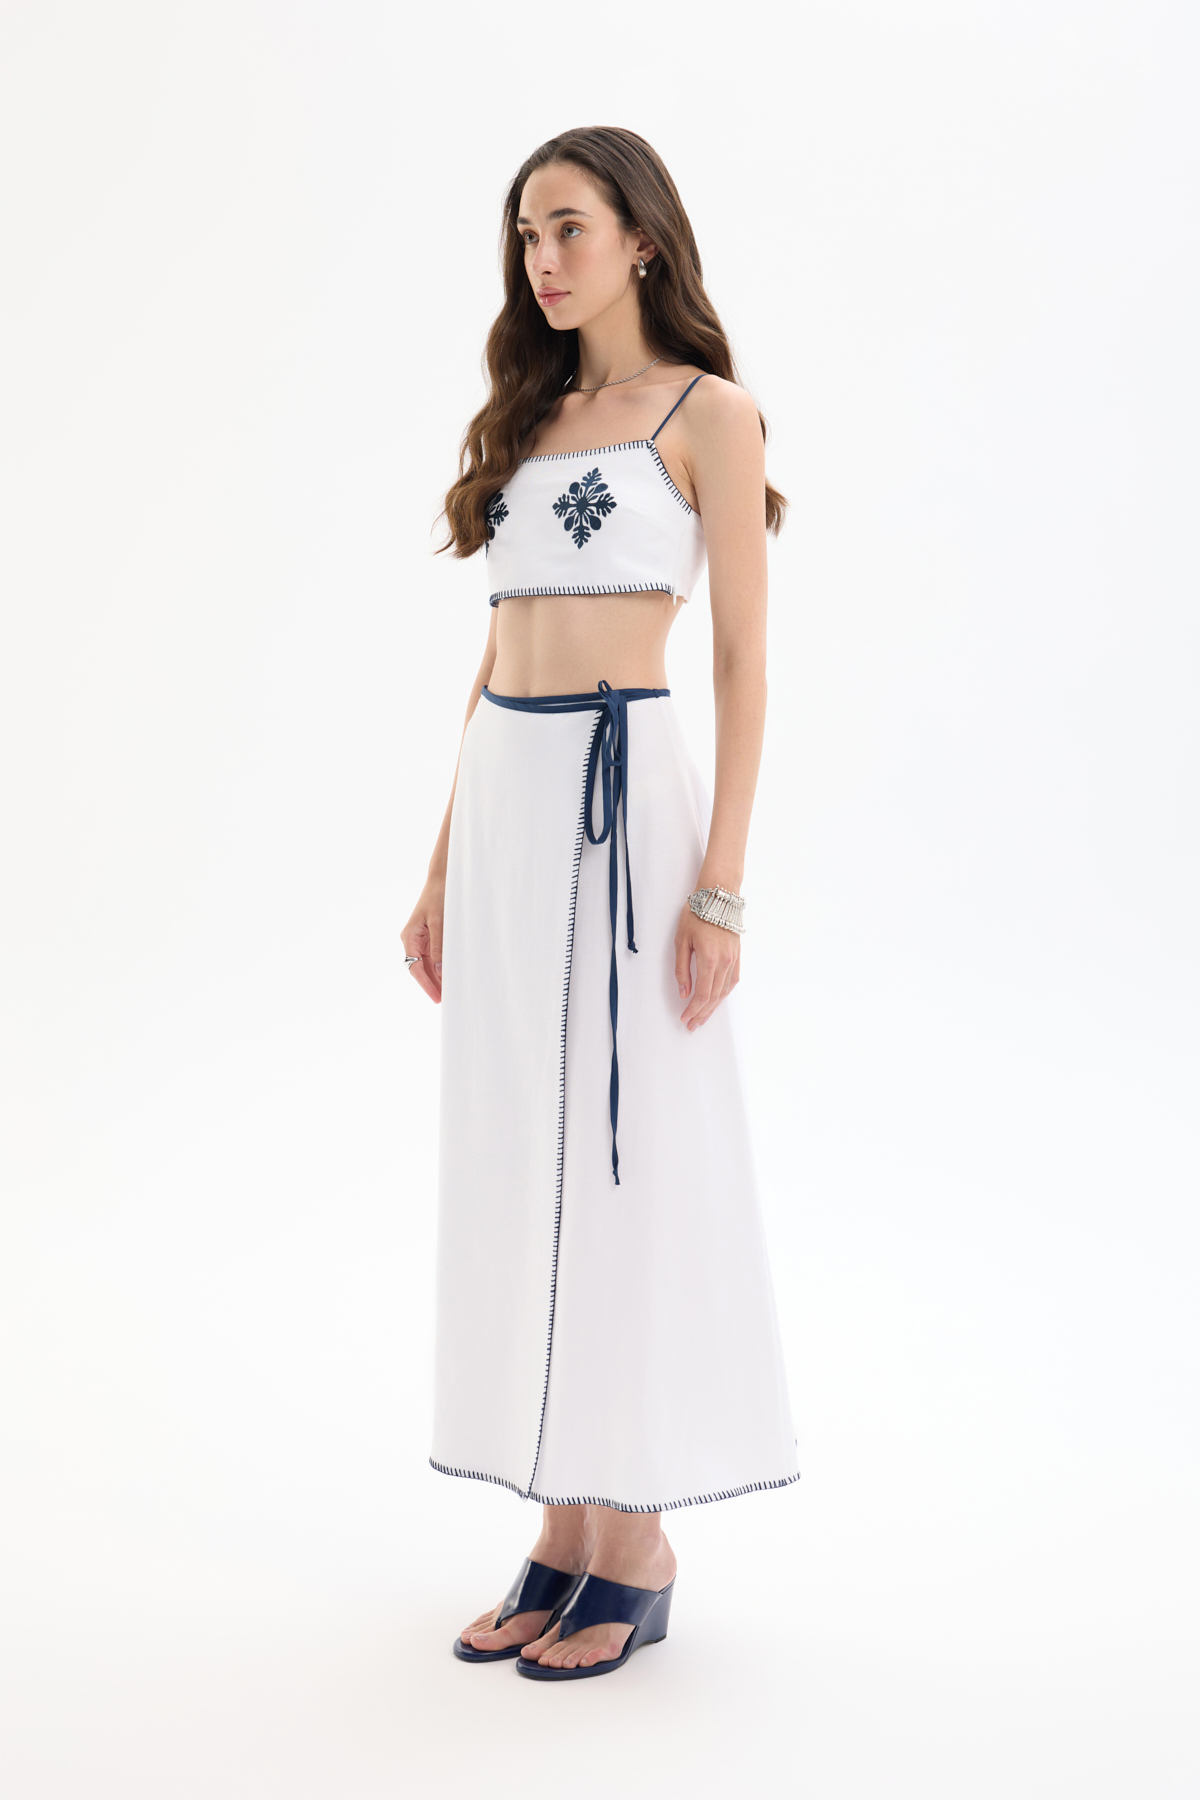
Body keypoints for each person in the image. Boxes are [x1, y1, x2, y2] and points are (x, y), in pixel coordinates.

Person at [401, 126, 798, 1682]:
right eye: (525, 235)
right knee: (525, 1147)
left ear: (642, 238)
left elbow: (744, 661)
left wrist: (724, 890)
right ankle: (562, 1525)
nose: (542, 259)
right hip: (511, 798)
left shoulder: (711, 415)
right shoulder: (532, 417)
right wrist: (441, 864)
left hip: (626, 808)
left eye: (567, 226)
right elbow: (496, 651)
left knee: (625, 1152)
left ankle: (638, 1537)